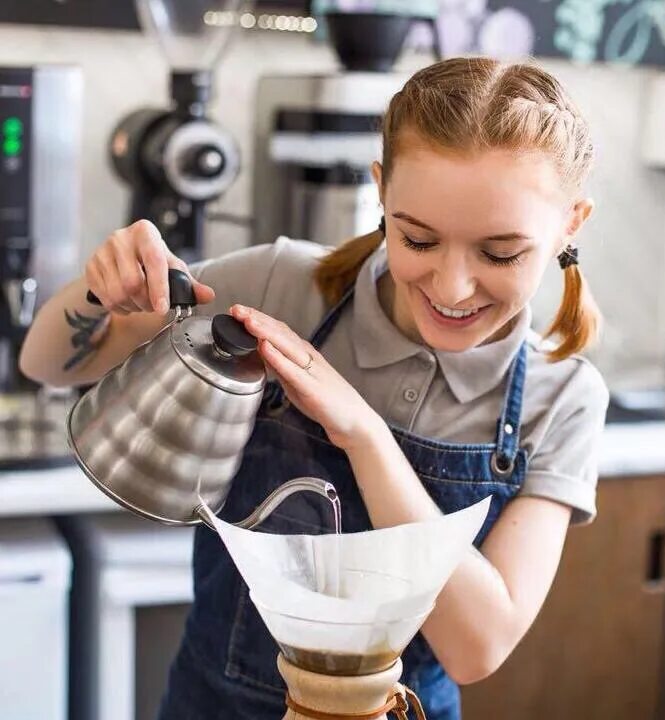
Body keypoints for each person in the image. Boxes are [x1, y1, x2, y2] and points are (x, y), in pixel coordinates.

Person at [20, 56, 609, 719]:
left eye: (500, 254)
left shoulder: (561, 399)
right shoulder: (278, 287)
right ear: (381, 191)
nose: (451, 286)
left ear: (570, 223)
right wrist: (100, 290)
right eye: (418, 239)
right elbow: (50, 362)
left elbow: (476, 646)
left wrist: (363, 436)